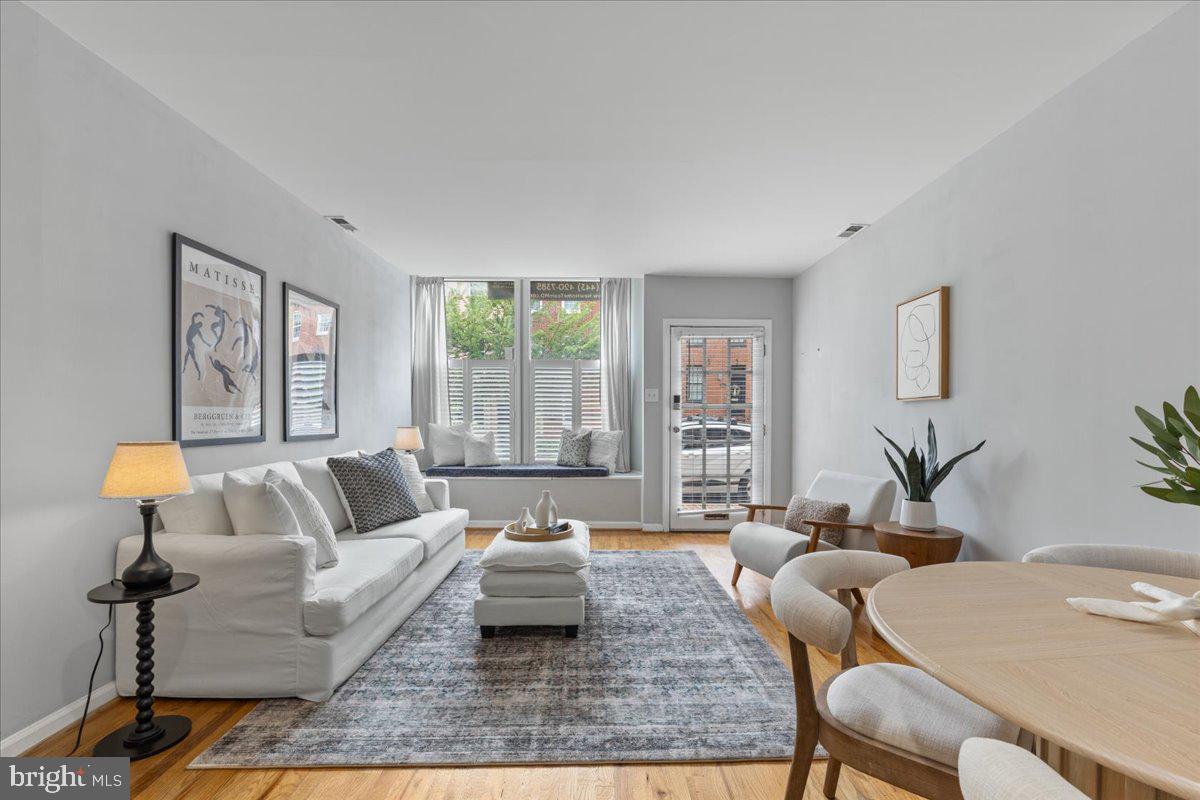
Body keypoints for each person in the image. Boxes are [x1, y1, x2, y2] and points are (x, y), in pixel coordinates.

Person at [181, 312, 211, 380]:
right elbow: (193, 316)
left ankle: (198, 372)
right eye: (199, 324)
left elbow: (203, 340)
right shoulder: (194, 325)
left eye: (199, 325)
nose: (198, 325)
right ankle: (185, 369)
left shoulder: (196, 329)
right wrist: (200, 313)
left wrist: (200, 314)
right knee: (187, 357)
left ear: (199, 326)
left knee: (192, 359)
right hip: (190, 343)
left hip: (191, 344)